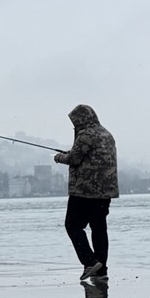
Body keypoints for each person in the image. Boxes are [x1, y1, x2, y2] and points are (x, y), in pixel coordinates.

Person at [54, 104, 118, 283]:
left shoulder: (85, 135)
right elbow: (89, 156)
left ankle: (90, 262)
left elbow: (74, 158)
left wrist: (59, 157)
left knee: (73, 226)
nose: (74, 126)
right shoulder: (107, 134)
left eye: (75, 122)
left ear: (80, 119)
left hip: (84, 191)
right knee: (99, 229)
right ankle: (101, 271)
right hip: (105, 193)